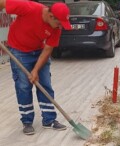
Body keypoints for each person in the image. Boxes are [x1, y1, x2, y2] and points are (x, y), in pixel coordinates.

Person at [0, 0, 72, 135]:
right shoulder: (29, 7)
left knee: (45, 84)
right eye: (59, 23)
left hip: (39, 51)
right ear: (51, 16)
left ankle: (49, 120)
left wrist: (35, 70)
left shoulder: (56, 28)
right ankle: (27, 121)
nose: (60, 26)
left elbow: (48, 49)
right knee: (23, 86)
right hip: (19, 51)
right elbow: (2, 3)